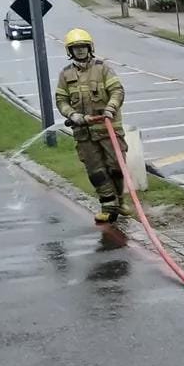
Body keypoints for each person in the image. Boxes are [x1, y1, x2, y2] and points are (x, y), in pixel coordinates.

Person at [54, 28, 132, 225]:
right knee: (96, 171)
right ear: (69, 51)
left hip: (109, 130)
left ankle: (120, 202)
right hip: (84, 134)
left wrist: (110, 108)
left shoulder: (103, 68)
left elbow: (117, 91)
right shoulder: (65, 74)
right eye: (75, 48)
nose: (80, 51)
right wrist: (72, 114)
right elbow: (61, 99)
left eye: (83, 47)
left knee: (116, 168)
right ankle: (108, 206)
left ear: (90, 48)